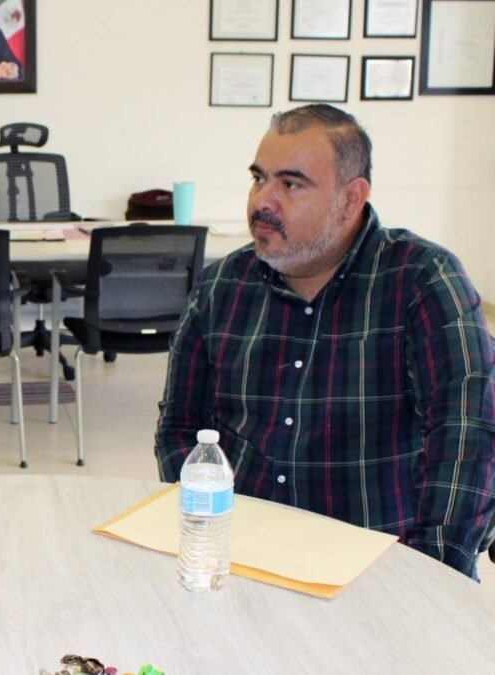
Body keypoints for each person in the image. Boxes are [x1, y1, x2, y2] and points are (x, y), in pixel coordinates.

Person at [154, 104, 495, 578]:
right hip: (242, 559)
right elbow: (179, 429)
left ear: (351, 198)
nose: (262, 201)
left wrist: (427, 578)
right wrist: (208, 532)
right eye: (258, 178)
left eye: (291, 184)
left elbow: (468, 436)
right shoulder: (221, 286)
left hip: (379, 566)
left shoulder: (421, 280)